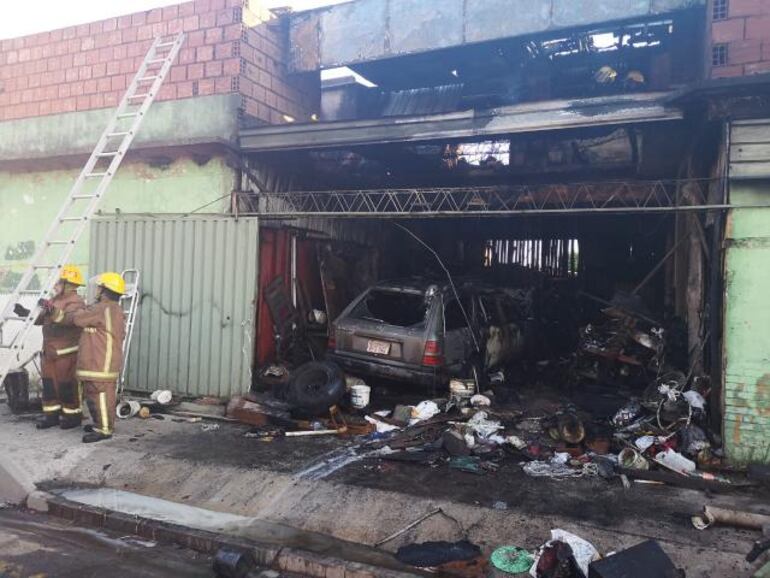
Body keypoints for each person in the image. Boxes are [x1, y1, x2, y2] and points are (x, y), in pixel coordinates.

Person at [50, 272, 126, 443]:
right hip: (104, 361)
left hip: (100, 363)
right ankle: (101, 424)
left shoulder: (101, 308)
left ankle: (104, 430)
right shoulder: (115, 309)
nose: (97, 290)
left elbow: (75, 319)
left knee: (100, 396)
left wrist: (51, 310)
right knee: (99, 395)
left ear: (104, 291)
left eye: (99, 287)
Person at [15, 265, 85, 430]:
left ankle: (72, 416)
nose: (55, 284)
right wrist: (25, 313)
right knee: (49, 385)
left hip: (66, 353)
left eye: (59, 281)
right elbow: (42, 319)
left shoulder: (76, 302)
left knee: (66, 385)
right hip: (49, 351)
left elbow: (69, 320)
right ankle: (51, 415)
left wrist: (51, 310)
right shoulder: (54, 300)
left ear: (68, 283)